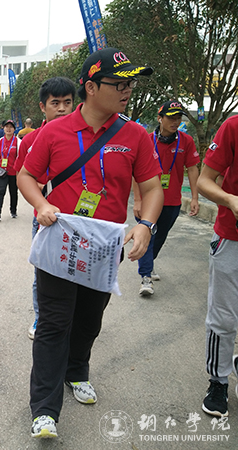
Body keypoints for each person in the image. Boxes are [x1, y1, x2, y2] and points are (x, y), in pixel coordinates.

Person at [17, 48, 163, 439]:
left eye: (131, 83)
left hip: (104, 247)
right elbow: (26, 176)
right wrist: (41, 204)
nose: (128, 90)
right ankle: (44, 409)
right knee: (53, 322)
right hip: (60, 243)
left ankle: (77, 371)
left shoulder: (134, 135)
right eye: (120, 83)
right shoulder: (54, 131)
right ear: (92, 87)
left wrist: (146, 225)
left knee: (89, 319)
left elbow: (152, 188)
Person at [13, 77, 76, 340]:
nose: (61, 108)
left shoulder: (83, 139)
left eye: (67, 103)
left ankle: (75, 320)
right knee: (44, 272)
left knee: (78, 272)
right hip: (47, 220)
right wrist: (40, 193)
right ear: (43, 107)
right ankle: (42, 317)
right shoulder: (30, 141)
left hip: (79, 220)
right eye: (55, 103)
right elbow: (21, 176)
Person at [134, 100, 200, 296]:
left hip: (172, 201)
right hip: (148, 201)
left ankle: (149, 263)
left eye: (178, 118)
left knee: (160, 237)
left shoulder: (186, 141)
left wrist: (195, 197)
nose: (175, 122)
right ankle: (146, 277)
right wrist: (137, 200)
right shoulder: (146, 140)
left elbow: (192, 169)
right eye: (171, 118)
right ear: (160, 118)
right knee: (148, 235)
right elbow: (135, 172)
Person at [197, 115, 238, 418]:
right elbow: (203, 180)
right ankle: (218, 381)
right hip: (231, 239)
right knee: (224, 316)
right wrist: (229, 199)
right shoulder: (234, 127)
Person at [0, 119, 20, 221]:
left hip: (13, 172)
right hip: (1, 171)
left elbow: (20, 157)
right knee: (0, 191)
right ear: (3, 128)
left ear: (14, 129)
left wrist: (19, 171)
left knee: (13, 192)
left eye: (11, 127)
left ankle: (13, 211)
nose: (8, 129)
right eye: (6, 127)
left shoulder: (18, 142)